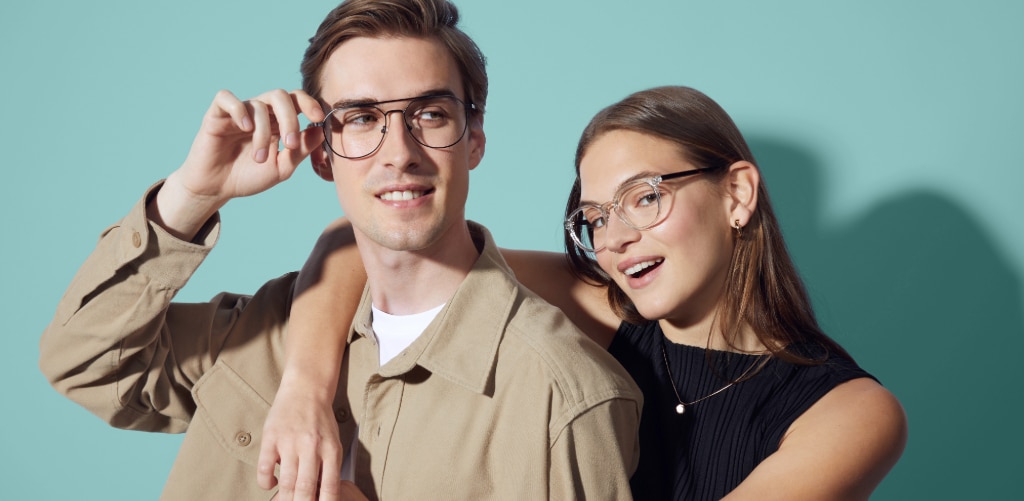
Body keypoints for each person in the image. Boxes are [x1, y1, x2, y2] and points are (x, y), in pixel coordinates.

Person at [38, 0, 643, 499]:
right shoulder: (267, 330)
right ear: (322, 152)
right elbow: (85, 362)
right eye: (360, 118)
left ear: (474, 138)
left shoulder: (563, 396)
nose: (398, 152)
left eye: (429, 113)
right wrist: (193, 193)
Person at [272, 85, 909, 500]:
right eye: (598, 216)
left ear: (737, 194)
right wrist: (302, 394)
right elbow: (367, 240)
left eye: (646, 197)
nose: (617, 238)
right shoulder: (605, 308)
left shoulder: (851, 412)